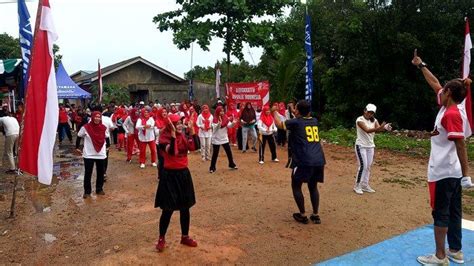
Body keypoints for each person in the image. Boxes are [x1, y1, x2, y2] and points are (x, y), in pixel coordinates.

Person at [412, 50, 471, 265]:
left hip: (444, 172)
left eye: (443, 90)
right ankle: (455, 250)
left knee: (441, 213)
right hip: (450, 171)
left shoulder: (451, 114)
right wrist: (421, 65)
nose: (440, 90)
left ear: (449, 93)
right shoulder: (450, 105)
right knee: (454, 212)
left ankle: (439, 256)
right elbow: (435, 83)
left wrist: (466, 174)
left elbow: (460, 144)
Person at [273, 100, 325, 224]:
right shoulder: (314, 121)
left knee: (296, 185)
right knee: (313, 187)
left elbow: (280, 124)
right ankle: (315, 215)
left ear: (298, 111)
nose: (294, 111)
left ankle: (302, 215)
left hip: (304, 160)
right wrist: (294, 109)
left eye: (295, 109)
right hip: (318, 159)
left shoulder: (296, 122)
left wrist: (274, 111)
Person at [154, 114, 199, 252]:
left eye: (180, 123)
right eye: (176, 123)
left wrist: (192, 131)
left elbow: (194, 147)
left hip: (183, 174)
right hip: (169, 176)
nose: (179, 125)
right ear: (170, 125)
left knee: (185, 208)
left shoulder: (183, 136)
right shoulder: (163, 139)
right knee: (168, 209)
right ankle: (161, 238)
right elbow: (173, 153)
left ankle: (184, 236)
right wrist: (173, 135)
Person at [353, 103, 391, 195]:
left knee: (368, 166)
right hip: (361, 146)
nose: (370, 114)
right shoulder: (359, 120)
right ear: (365, 111)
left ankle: (365, 185)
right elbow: (367, 130)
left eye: (372, 113)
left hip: (370, 146)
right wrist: (381, 127)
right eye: (369, 112)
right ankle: (357, 185)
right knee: (363, 166)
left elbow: (378, 129)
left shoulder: (374, 120)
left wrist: (385, 128)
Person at [77, 111, 109, 198]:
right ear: (92, 117)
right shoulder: (86, 128)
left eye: (99, 117)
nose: (97, 118)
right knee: (88, 173)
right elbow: (79, 135)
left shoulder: (104, 128)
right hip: (89, 154)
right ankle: (87, 192)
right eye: (96, 117)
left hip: (101, 154)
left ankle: (99, 189)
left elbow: (107, 137)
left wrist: (107, 148)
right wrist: (77, 147)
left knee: (100, 172)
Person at [209, 106, 238, 173]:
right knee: (215, 154)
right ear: (218, 111)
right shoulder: (214, 119)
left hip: (224, 138)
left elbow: (229, 126)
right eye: (220, 111)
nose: (222, 112)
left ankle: (231, 164)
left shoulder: (225, 117)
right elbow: (215, 129)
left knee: (229, 152)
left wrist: (233, 123)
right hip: (216, 138)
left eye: (223, 111)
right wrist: (219, 123)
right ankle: (212, 167)